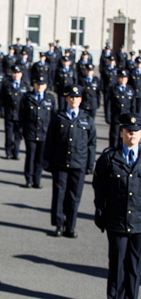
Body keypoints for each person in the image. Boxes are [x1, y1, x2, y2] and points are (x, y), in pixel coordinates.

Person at [93, 113, 141, 299]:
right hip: (117, 220)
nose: (132, 135)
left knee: (135, 266)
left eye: (136, 132)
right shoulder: (108, 159)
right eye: (128, 132)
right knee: (117, 265)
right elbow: (100, 189)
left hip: (138, 221)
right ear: (121, 133)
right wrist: (100, 213)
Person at [44, 85, 96, 238]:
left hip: (78, 163)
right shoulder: (58, 117)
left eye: (77, 97)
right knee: (59, 195)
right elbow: (50, 142)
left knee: (74, 197)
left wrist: (90, 164)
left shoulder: (86, 119)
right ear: (66, 99)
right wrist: (47, 161)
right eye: (71, 97)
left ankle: (71, 226)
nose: (74, 100)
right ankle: (59, 225)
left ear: (81, 100)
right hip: (60, 163)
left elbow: (91, 144)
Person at [20, 75, 56, 188]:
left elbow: (53, 116)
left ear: (46, 85)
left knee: (40, 158)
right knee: (30, 156)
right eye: (38, 84)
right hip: (30, 132)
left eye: (42, 84)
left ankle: (37, 179)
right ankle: (29, 179)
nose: (40, 86)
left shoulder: (50, 99)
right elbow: (22, 115)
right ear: (34, 85)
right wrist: (22, 130)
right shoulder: (27, 97)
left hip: (44, 133)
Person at [1, 65, 30, 160]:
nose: (16, 75)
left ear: (21, 74)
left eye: (18, 73)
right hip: (9, 113)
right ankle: (8, 152)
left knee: (18, 135)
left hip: (20, 115)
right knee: (9, 135)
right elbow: (2, 98)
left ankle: (16, 152)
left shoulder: (25, 86)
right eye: (14, 73)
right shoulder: (7, 84)